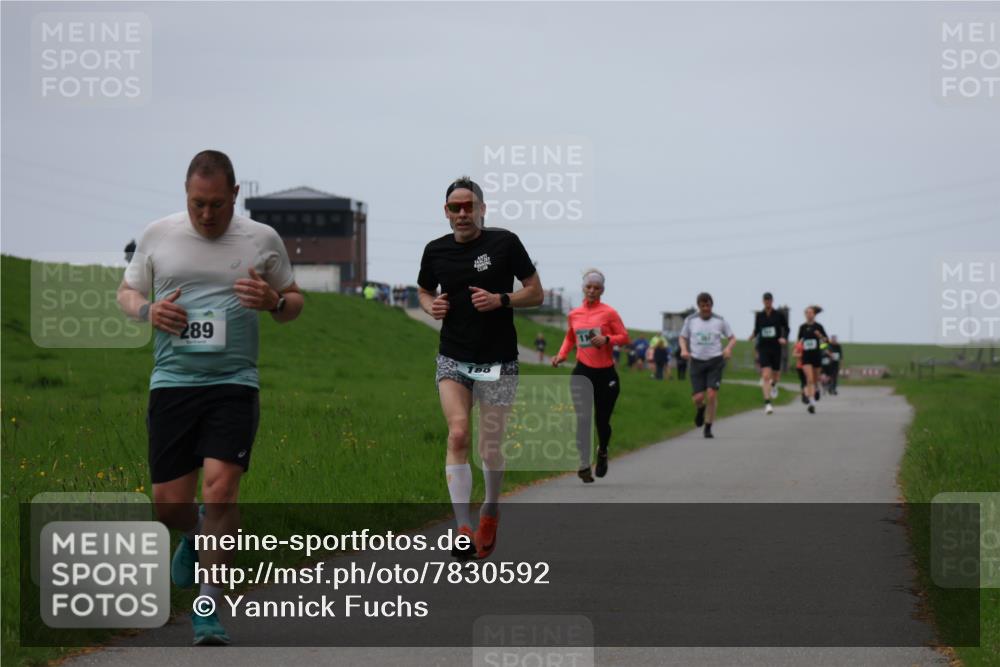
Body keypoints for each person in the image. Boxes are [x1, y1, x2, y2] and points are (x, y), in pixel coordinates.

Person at [117, 150, 304, 645]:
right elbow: (126, 293)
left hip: (234, 384)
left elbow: (294, 302)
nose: (206, 214)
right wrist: (148, 311)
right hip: (173, 384)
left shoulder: (262, 239)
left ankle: (206, 608)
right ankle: (191, 534)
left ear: (235, 195)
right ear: (186, 194)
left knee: (221, 491)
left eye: (217, 204)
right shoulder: (159, 235)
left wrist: (276, 301)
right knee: (168, 507)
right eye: (198, 203)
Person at [417, 176, 543, 560]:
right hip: (454, 357)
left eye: (468, 206)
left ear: (482, 208)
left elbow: (535, 292)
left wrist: (502, 299)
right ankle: (462, 527)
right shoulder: (435, 251)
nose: (462, 213)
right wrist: (430, 306)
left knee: (489, 448)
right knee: (457, 435)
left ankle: (490, 507)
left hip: (499, 361)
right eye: (454, 207)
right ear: (446, 212)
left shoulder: (505, 242)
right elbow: (424, 290)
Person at [552, 269, 630, 483]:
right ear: (583, 288)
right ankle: (584, 464)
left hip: (606, 374)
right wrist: (560, 355)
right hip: (582, 372)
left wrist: (607, 340)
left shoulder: (609, 313)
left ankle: (602, 451)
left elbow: (624, 337)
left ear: (602, 290)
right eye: (589, 287)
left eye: (597, 288)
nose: (592, 291)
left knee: (601, 421)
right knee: (583, 419)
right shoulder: (574, 314)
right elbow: (570, 337)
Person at [679, 293, 736, 438]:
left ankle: (708, 426)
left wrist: (728, 348)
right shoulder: (691, 320)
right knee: (698, 397)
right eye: (703, 306)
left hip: (715, 361)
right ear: (699, 306)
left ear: (712, 305)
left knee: (711, 394)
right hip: (697, 361)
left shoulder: (719, 320)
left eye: (708, 305)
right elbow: (682, 337)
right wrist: (684, 350)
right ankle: (700, 409)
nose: (706, 309)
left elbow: (732, 338)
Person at [750, 292, 789, 415]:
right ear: (763, 301)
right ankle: (767, 403)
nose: (767, 302)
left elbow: (787, 328)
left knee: (776, 375)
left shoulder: (778, 315)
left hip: (776, 348)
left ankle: (774, 385)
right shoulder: (760, 315)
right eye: (765, 300)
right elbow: (757, 329)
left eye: (769, 300)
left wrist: (784, 337)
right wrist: (752, 335)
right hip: (763, 348)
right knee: (766, 375)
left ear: (772, 301)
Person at [797, 305, 829, 414]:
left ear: (814, 315)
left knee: (815, 380)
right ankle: (811, 403)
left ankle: (816, 389)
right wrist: (798, 349)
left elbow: (826, 343)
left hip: (816, 356)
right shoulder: (802, 327)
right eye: (807, 313)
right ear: (805, 315)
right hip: (806, 357)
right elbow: (799, 343)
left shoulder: (819, 327)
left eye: (811, 312)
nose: (809, 314)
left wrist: (820, 337)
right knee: (809, 379)